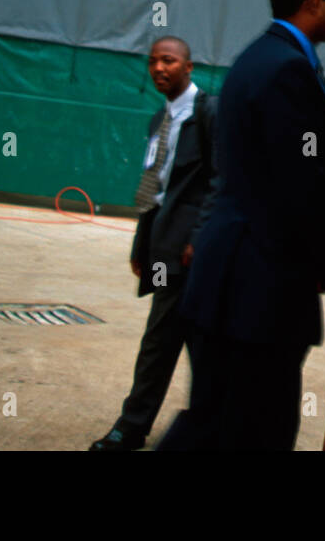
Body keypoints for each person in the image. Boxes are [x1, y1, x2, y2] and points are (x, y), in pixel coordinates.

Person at [160, 0, 325, 450]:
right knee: (245, 429)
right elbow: (299, 185)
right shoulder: (285, 70)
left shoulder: (260, 60)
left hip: (235, 287)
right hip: (254, 293)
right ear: (313, 2)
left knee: (220, 423)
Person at [89, 37, 217, 451]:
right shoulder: (158, 122)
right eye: (153, 61)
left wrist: (200, 238)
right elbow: (154, 189)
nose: (160, 68)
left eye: (169, 60)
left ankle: (134, 427)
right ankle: (139, 426)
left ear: (189, 66)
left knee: (181, 345)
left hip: (195, 254)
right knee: (163, 343)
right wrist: (141, 247)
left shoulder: (210, 114)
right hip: (163, 249)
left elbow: (223, 179)